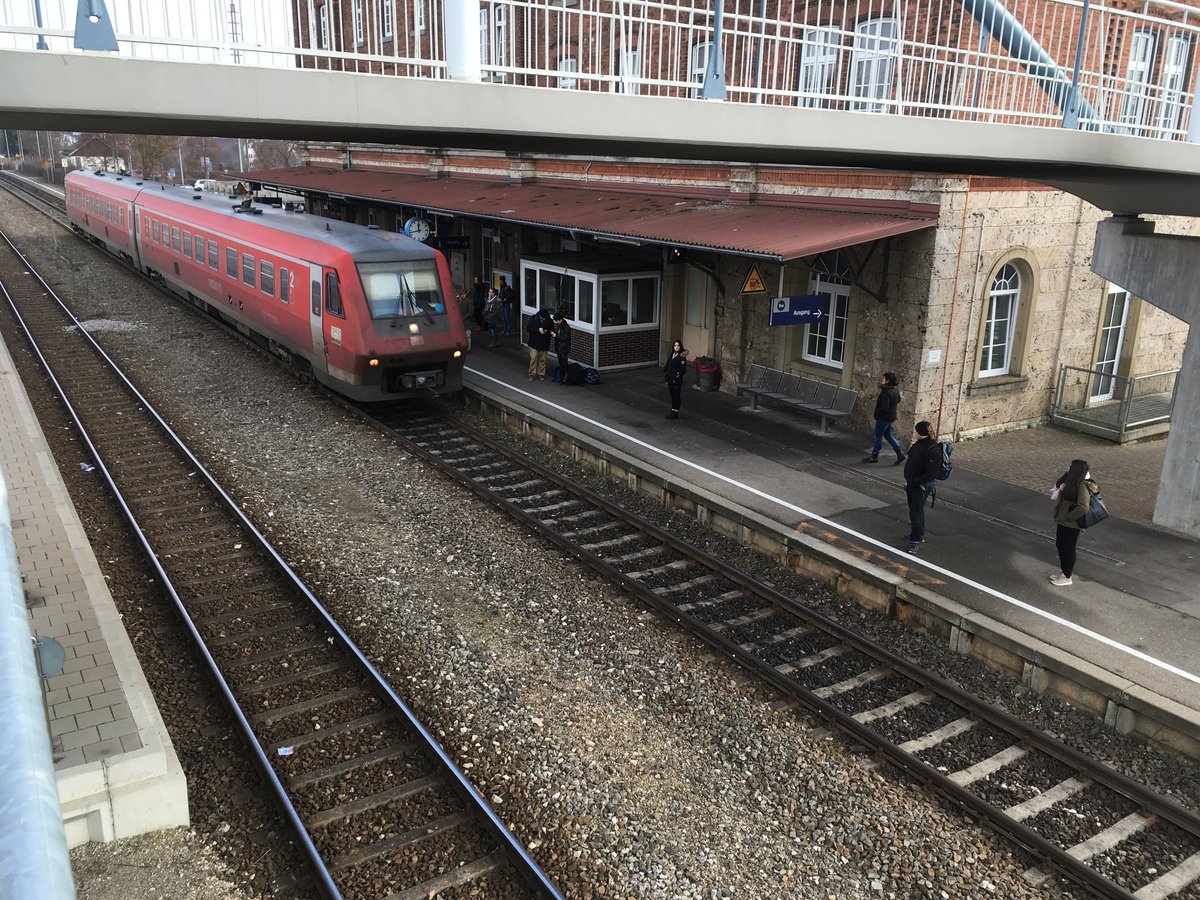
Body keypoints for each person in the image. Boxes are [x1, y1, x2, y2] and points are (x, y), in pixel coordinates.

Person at [1050, 459, 1099, 586]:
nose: (1068, 467)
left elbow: (1083, 507)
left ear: (1076, 470)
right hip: (1063, 520)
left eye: (1071, 466)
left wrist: (1069, 518)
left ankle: (1067, 576)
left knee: (1069, 548)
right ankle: (1063, 571)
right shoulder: (1071, 481)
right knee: (1060, 544)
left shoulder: (1082, 485)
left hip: (1071, 524)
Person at [903, 420, 942, 553]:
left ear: (921, 433)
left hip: (920, 486)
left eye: (916, 431)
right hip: (912, 483)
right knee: (916, 510)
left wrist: (916, 481)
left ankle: (915, 540)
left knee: (915, 512)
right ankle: (919, 533)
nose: (914, 433)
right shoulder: (919, 444)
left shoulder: (933, 450)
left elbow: (931, 473)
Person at [863, 372, 905, 465]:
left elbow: (884, 407)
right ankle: (899, 454)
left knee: (878, 436)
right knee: (888, 435)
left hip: (883, 418)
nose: (882, 380)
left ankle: (874, 455)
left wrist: (877, 414)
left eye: (884, 378)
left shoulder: (886, 392)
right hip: (891, 417)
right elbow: (898, 400)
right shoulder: (895, 391)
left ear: (887, 380)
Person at [663, 339, 688, 419]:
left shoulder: (682, 357)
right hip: (670, 379)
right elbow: (668, 364)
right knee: (672, 395)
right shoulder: (672, 354)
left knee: (676, 395)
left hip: (676, 380)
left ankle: (675, 412)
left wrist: (676, 377)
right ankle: (673, 410)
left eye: (678, 346)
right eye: (675, 345)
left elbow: (682, 370)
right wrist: (666, 374)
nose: (676, 347)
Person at [527, 308, 553, 381]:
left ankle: (541, 374)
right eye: (541, 317)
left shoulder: (549, 321)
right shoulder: (533, 319)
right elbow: (529, 329)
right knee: (533, 358)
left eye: (544, 318)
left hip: (544, 343)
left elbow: (552, 330)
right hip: (534, 342)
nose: (542, 318)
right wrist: (538, 330)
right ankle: (532, 374)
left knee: (543, 359)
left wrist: (547, 331)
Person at [552, 313, 572, 383]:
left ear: (560, 320)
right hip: (559, 347)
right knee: (561, 363)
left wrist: (556, 335)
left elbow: (565, 338)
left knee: (564, 363)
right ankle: (561, 377)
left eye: (557, 321)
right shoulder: (559, 326)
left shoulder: (566, 327)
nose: (556, 322)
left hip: (564, 348)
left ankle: (565, 378)